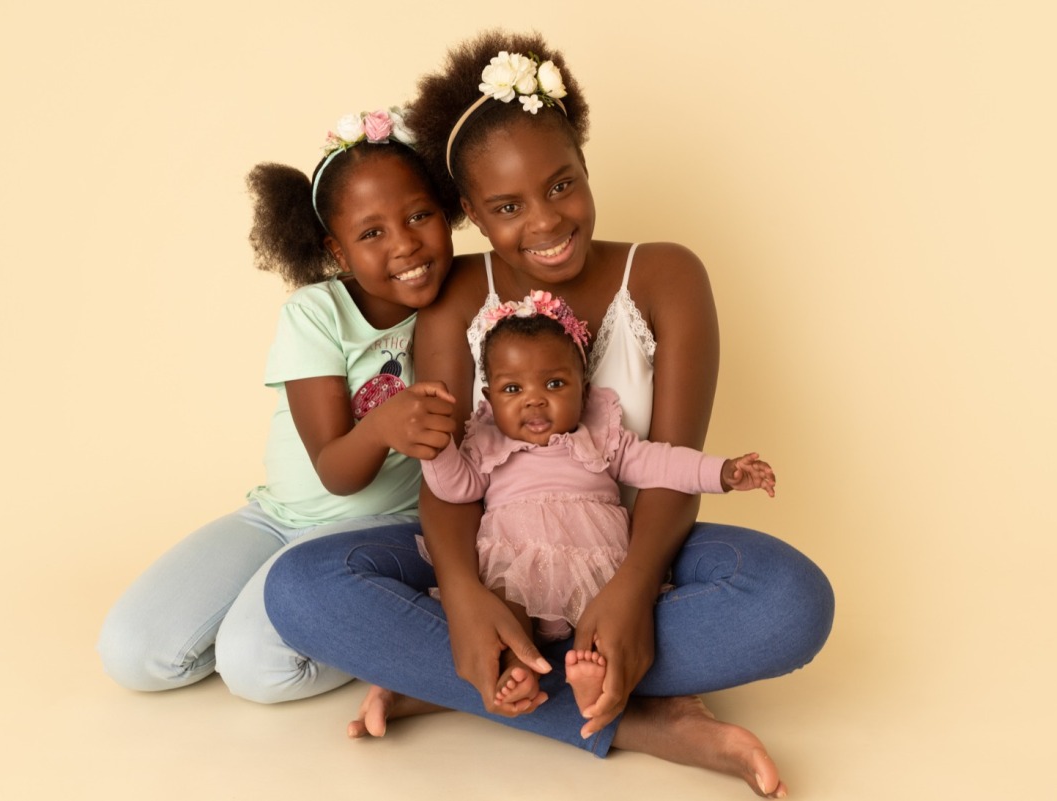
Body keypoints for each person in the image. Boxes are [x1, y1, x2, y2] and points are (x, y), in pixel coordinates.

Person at [265, 32, 834, 797]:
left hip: (634, 542)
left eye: (561, 185)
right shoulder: (458, 297)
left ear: (585, 167)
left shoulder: (667, 274)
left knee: (793, 601)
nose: (544, 221)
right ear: (470, 213)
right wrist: (463, 595)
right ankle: (638, 721)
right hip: (497, 554)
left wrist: (634, 589)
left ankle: (454, 681)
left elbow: (668, 464)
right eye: (507, 206)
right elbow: (448, 477)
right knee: (300, 586)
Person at [97, 108, 459, 704]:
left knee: (258, 670)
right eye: (371, 233)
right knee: (132, 653)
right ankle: (344, 616)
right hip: (279, 518)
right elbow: (336, 471)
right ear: (337, 251)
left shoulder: (463, 300)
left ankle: (390, 610)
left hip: (384, 528)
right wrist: (381, 428)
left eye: (420, 215)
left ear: (447, 213)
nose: (404, 243)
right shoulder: (316, 313)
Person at [420, 290, 779, 718]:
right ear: (489, 397)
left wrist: (722, 472)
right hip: (516, 564)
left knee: (604, 622)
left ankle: (591, 678)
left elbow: (661, 463)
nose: (534, 399)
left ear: (584, 390)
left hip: (593, 566)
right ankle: (518, 668)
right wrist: (435, 450)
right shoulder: (486, 440)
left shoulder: (601, 435)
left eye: (554, 384)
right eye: (512, 388)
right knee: (505, 608)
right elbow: (457, 488)